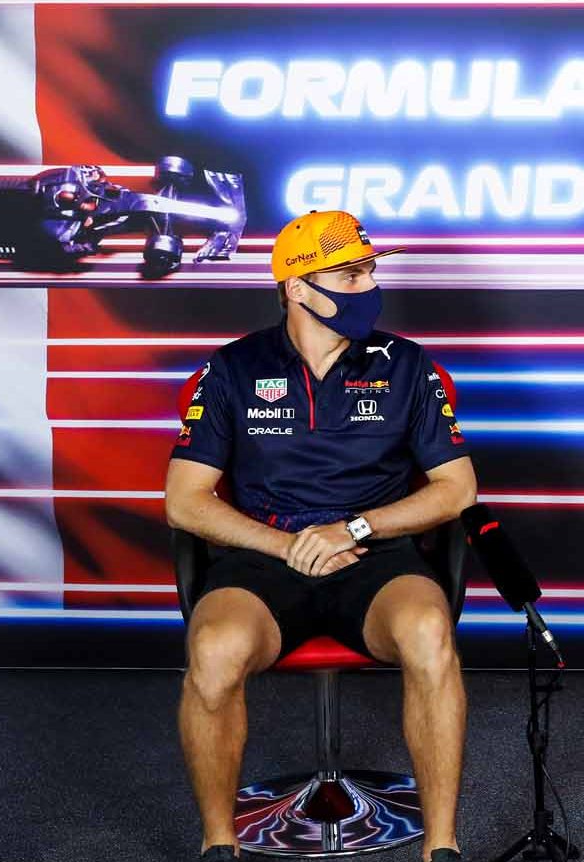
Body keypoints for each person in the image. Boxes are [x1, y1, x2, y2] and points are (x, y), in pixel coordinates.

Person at [164, 210, 476, 862]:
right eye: (350, 273)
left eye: (370, 271)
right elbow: (184, 501)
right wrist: (287, 545)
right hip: (265, 559)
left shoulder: (406, 366)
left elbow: (456, 490)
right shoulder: (234, 369)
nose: (368, 286)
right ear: (297, 287)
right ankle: (219, 845)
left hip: (376, 556)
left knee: (428, 633)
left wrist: (354, 527)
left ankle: (442, 847)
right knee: (215, 652)